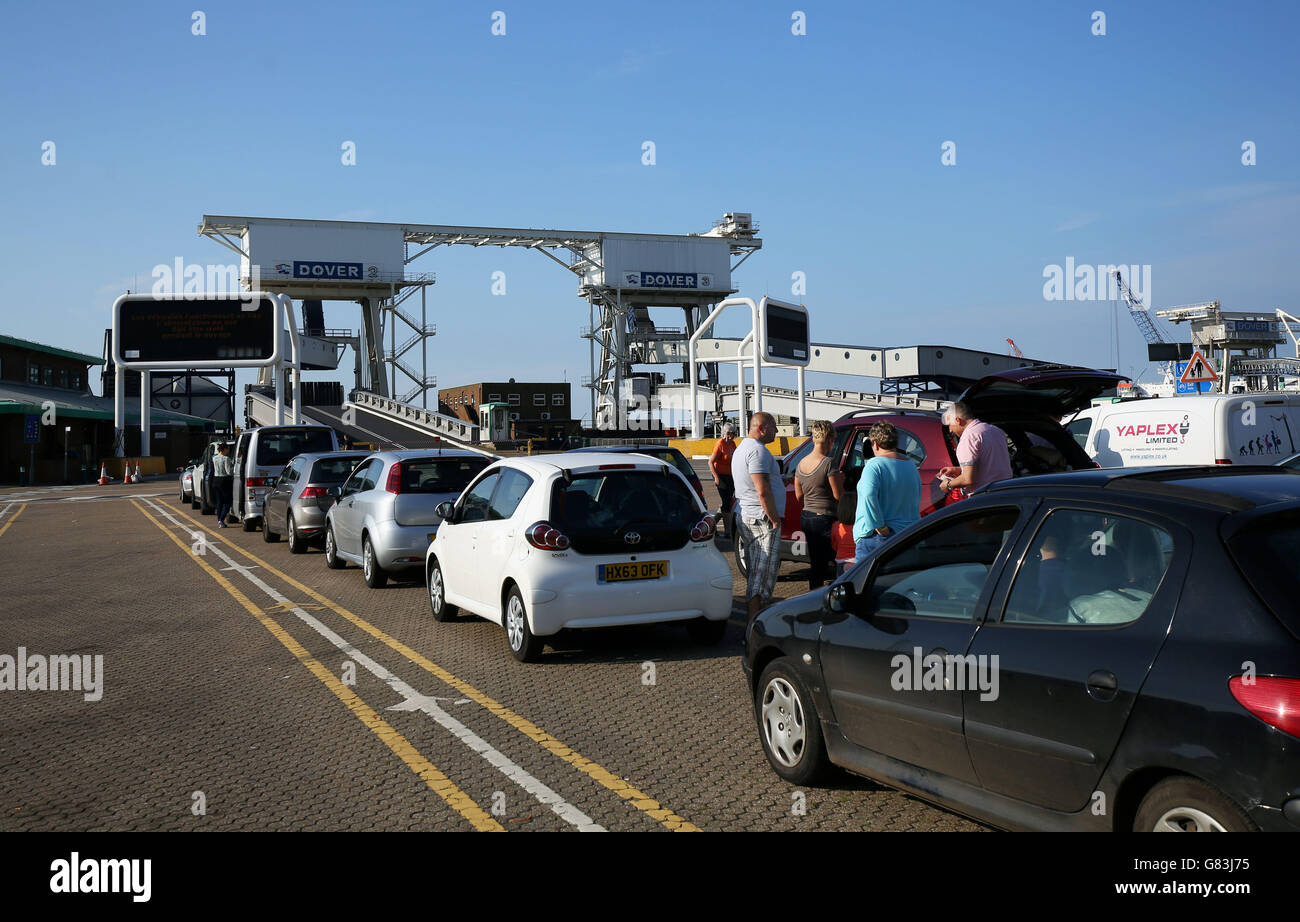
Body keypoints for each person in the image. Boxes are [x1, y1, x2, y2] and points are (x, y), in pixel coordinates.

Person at [732, 412, 785, 621]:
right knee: (763, 573)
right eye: (773, 427)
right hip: (761, 518)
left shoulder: (742, 448)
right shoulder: (757, 452)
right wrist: (774, 518)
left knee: (756, 569)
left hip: (748, 513)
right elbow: (762, 490)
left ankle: (756, 619)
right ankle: (756, 621)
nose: (777, 431)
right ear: (762, 428)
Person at [854, 422, 921, 563]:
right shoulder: (911, 466)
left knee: (865, 582)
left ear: (876, 444)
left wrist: (878, 526)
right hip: (907, 534)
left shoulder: (874, 465)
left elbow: (868, 495)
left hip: (878, 537)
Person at [794, 420, 843, 589]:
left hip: (807, 516)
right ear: (830, 439)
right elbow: (838, 495)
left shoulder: (800, 464)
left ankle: (813, 595)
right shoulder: (828, 463)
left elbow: (799, 495)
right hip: (826, 518)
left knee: (816, 564)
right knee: (837, 560)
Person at [937, 401, 1013, 498]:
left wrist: (948, 485)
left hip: (984, 497)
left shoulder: (968, 438)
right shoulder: (995, 430)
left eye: (950, 425)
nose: (950, 430)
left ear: (957, 420)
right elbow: (992, 465)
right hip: (1006, 491)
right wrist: (960, 470)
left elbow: (967, 479)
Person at [709, 423, 738, 532]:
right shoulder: (720, 444)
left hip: (730, 476)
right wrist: (717, 478)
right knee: (726, 502)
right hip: (720, 476)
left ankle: (711, 524)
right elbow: (710, 462)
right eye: (731, 433)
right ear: (726, 433)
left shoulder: (732, 444)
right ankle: (727, 531)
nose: (733, 436)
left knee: (728, 502)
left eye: (734, 433)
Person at [212, 443, 234, 528]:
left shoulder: (214, 458)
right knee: (228, 502)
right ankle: (221, 519)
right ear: (224, 449)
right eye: (227, 449)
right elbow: (228, 471)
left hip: (216, 480)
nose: (228, 451)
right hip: (224, 481)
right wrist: (234, 469)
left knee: (219, 502)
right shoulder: (226, 459)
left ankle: (219, 521)